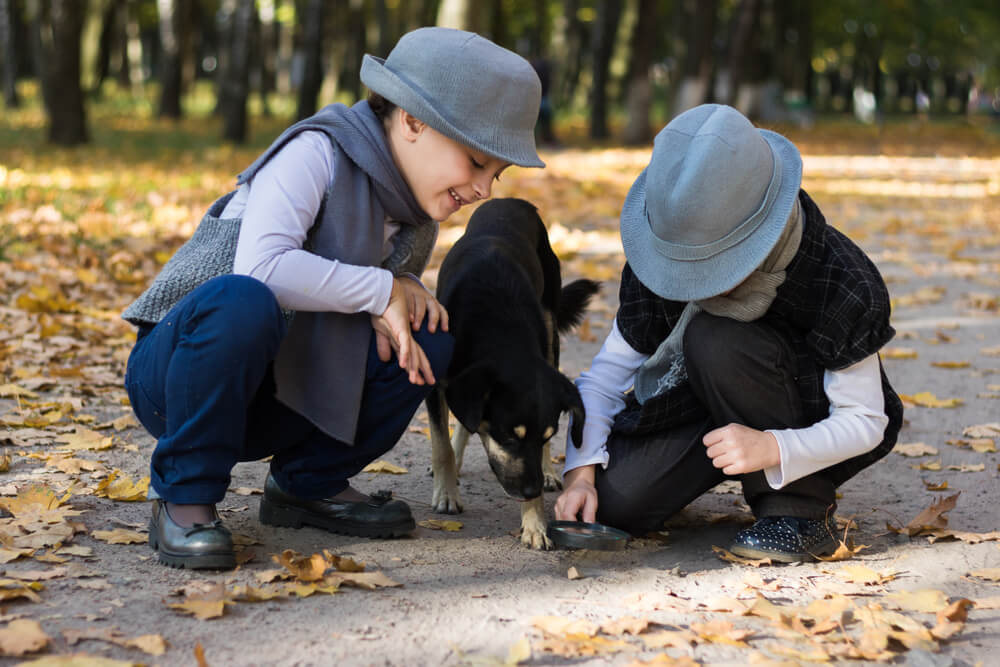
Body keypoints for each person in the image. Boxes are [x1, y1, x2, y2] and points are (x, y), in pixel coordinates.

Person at [122, 27, 544, 569]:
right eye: (476, 162)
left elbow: (363, 308)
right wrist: (381, 288)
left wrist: (402, 293)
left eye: (497, 174)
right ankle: (184, 497)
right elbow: (263, 268)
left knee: (428, 332)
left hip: (281, 391)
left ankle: (307, 482)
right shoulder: (316, 152)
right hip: (182, 375)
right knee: (242, 300)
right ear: (413, 121)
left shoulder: (416, 215)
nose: (485, 189)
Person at [554, 104, 903, 563]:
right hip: (695, 398)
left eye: (714, 267)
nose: (693, 284)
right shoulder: (664, 261)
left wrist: (771, 446)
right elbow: (607, 377)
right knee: (617, 504)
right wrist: (579, 471)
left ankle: (799, 513)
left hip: (798, 407)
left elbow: (866, 422)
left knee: (714, 334)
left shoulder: (839, 279)